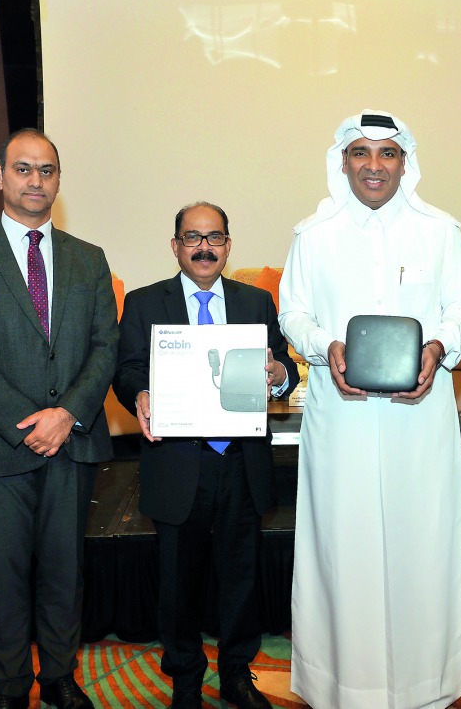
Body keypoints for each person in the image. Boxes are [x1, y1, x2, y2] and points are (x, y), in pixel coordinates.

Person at [278, 109, 461, 708]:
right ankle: (343, 686)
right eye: (360, 153)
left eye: (386, 153)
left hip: (421, 420)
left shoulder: (440, 231)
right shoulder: (312, 235)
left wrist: (440, 347)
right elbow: (293, 313)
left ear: (404, 163)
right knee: (342, 547)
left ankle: (427, 686)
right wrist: (324, 347)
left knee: (424, 543)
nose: (373, 165)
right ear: (343, 161)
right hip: (340, 418)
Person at [0, 129, 119, 709]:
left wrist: (65, 413)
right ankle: (11, 684)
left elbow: (104, 346)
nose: (35, 180)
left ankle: (60, 677)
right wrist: (28, 421)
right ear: (0, 176)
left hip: (72, 440)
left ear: (58, 180)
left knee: (65, 573)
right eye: (23, 169)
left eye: (47, 170)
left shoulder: (89, 258)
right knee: (3, 578)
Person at [113, 202, 298, 709]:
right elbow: (126, 369)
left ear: (228, 246)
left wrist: (279, 375)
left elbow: (284, 367)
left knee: (241, 576)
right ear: (175, 246)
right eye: (192, 237)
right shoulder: (146, 304)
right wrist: (139, 395)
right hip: (177, 461)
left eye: (214, 237)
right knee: (178, 580)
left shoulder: (257, 302)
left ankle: (237, 673)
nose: (204, 247)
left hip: (240, 460)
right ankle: (186, 678)